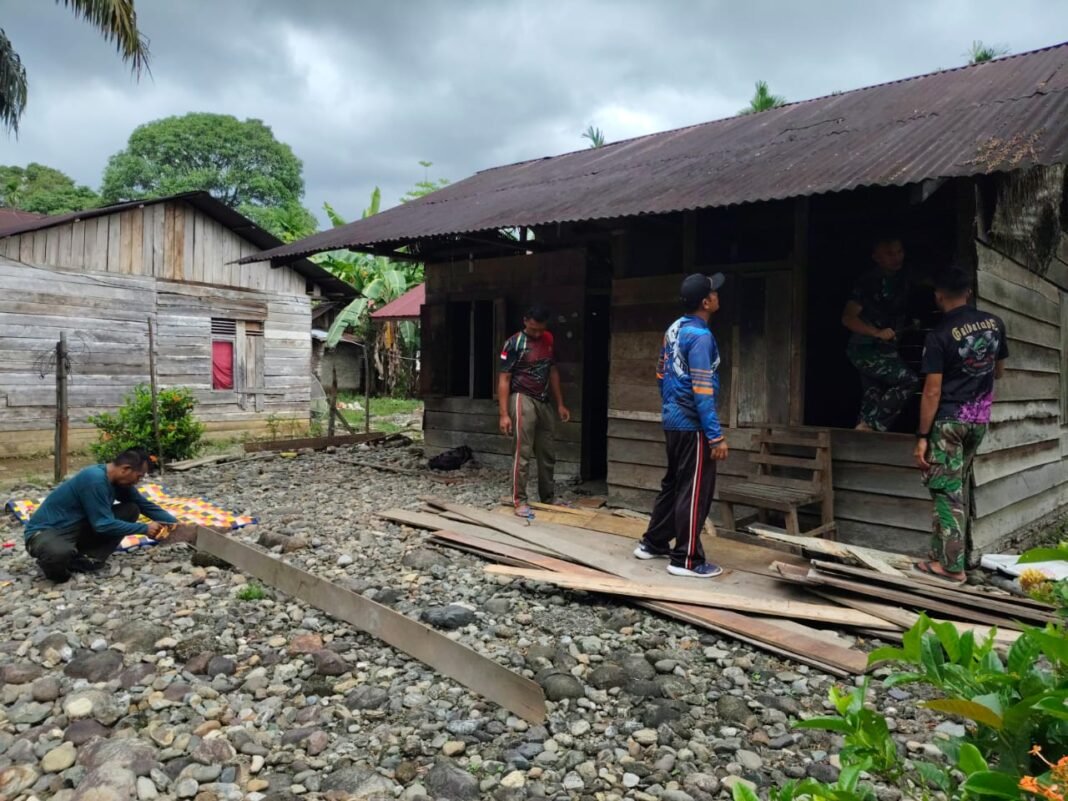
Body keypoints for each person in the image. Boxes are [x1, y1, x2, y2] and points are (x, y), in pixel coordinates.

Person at [913, 266, 1008, 583]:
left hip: (949, 424)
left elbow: (932, 391)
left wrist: (922, 436)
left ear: (938, 295)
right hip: (978, 420)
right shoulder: (995, 324)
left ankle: (952, 568)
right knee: (952, 488)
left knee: (945, 491)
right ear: (968, 291)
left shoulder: (939, 335)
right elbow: (998, 371)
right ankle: (941, 555)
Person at [634, 273, 729, 578]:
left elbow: (660, 373)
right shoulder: (700, 337)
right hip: (692, 425)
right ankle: (687, 559)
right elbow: (702, 389)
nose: (717, 295)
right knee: (695, 490)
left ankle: (653, 543)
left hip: (673, 420)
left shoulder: (674, 328)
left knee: (674, 484)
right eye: (714, 292)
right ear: (706, 302)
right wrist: (715, 436)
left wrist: (670, 405)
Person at [23, 448, 177, 582]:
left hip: (78, 527)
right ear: (126, 469)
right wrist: (144, 528)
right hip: (48, 531)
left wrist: (176, 525)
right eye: (139, 476)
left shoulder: (120, 482)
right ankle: (56, 569)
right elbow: (103, 524)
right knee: (58, 554)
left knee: (131, 509)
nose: (138, 481)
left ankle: (86, 559)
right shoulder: (94, 478)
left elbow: (144, 505)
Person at [498, 305, 571, 518]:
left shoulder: (548, 339)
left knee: (547, 452)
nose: (537, 334)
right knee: (522, 451)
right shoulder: (513, 343)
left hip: (544, 400)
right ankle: (519, 500)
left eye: (541, 329)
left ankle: (548, 497)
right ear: (525, 321)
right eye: (533, 329)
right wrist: (504, 414)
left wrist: (560, 403)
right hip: (522, 398)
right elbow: (504, 379)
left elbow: (553, 371)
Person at [842, 236, 920, 431]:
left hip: (887, 349)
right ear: (876, 257)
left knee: (872, 397)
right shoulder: (867, 282)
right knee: (908, 381)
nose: (897, 257)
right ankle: (870, 426)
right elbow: (848, 318)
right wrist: (876, 332)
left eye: (899, 252)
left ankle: (861, 435)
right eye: (889, 254)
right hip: (866, 350)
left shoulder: (905, 276)